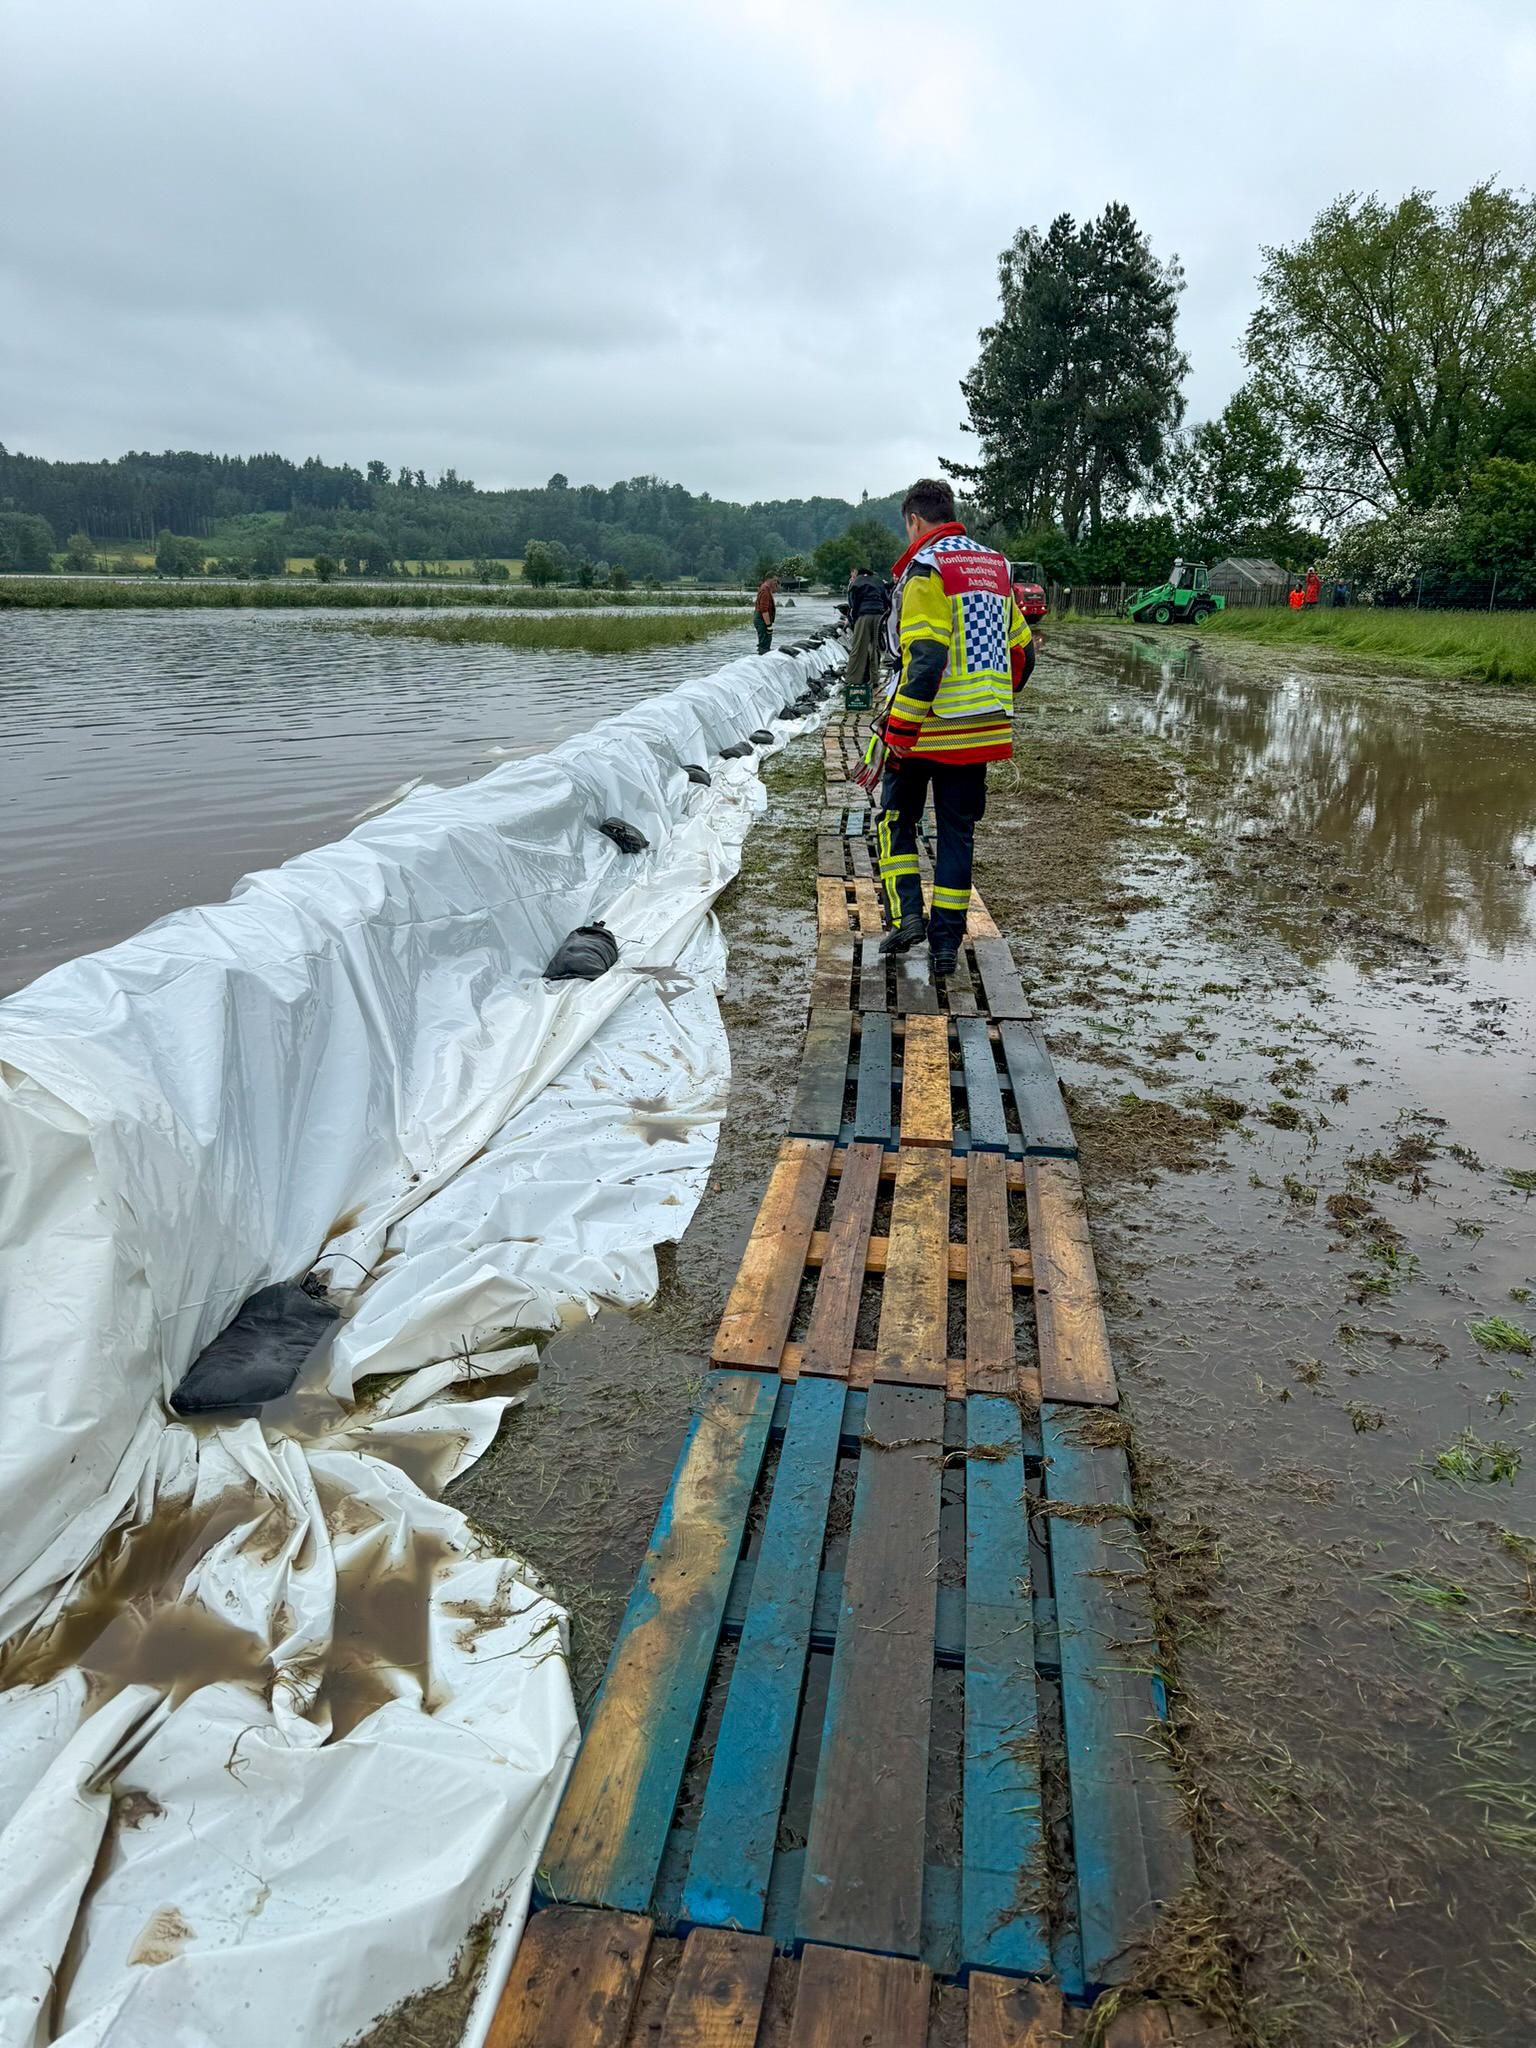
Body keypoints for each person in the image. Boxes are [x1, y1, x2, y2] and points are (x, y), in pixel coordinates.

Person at [876, 477, 1034, 976]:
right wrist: (991, 699)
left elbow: (925, 658)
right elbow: (1024, 654)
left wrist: (897, 734)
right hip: (981, 731)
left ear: (914, 521)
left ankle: (906, 919)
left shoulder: (927, 569)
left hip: (926, 727)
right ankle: (946, 947)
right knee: (956, 835)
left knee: (894, 820)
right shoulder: (995, 568)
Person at [845, 564, 886, 698]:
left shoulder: (856, 582)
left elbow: (852, 603)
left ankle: (853, 680)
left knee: (859, 648)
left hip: (864, 615)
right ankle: (874, 679)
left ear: (859, 573)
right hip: (879, 615)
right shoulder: (878, 581)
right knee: (875, 648)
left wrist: (854, 619)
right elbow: (886, 599)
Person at [753, 573, 778, 653]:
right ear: (769, 579)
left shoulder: (766, 589)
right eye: (774, 580)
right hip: (761, 619)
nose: (775, 582)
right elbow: (764, 610)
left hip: (762, 618)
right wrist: (768, 625)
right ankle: (762, 655)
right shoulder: (765, 591)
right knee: (764, 642)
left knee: (766, 640)